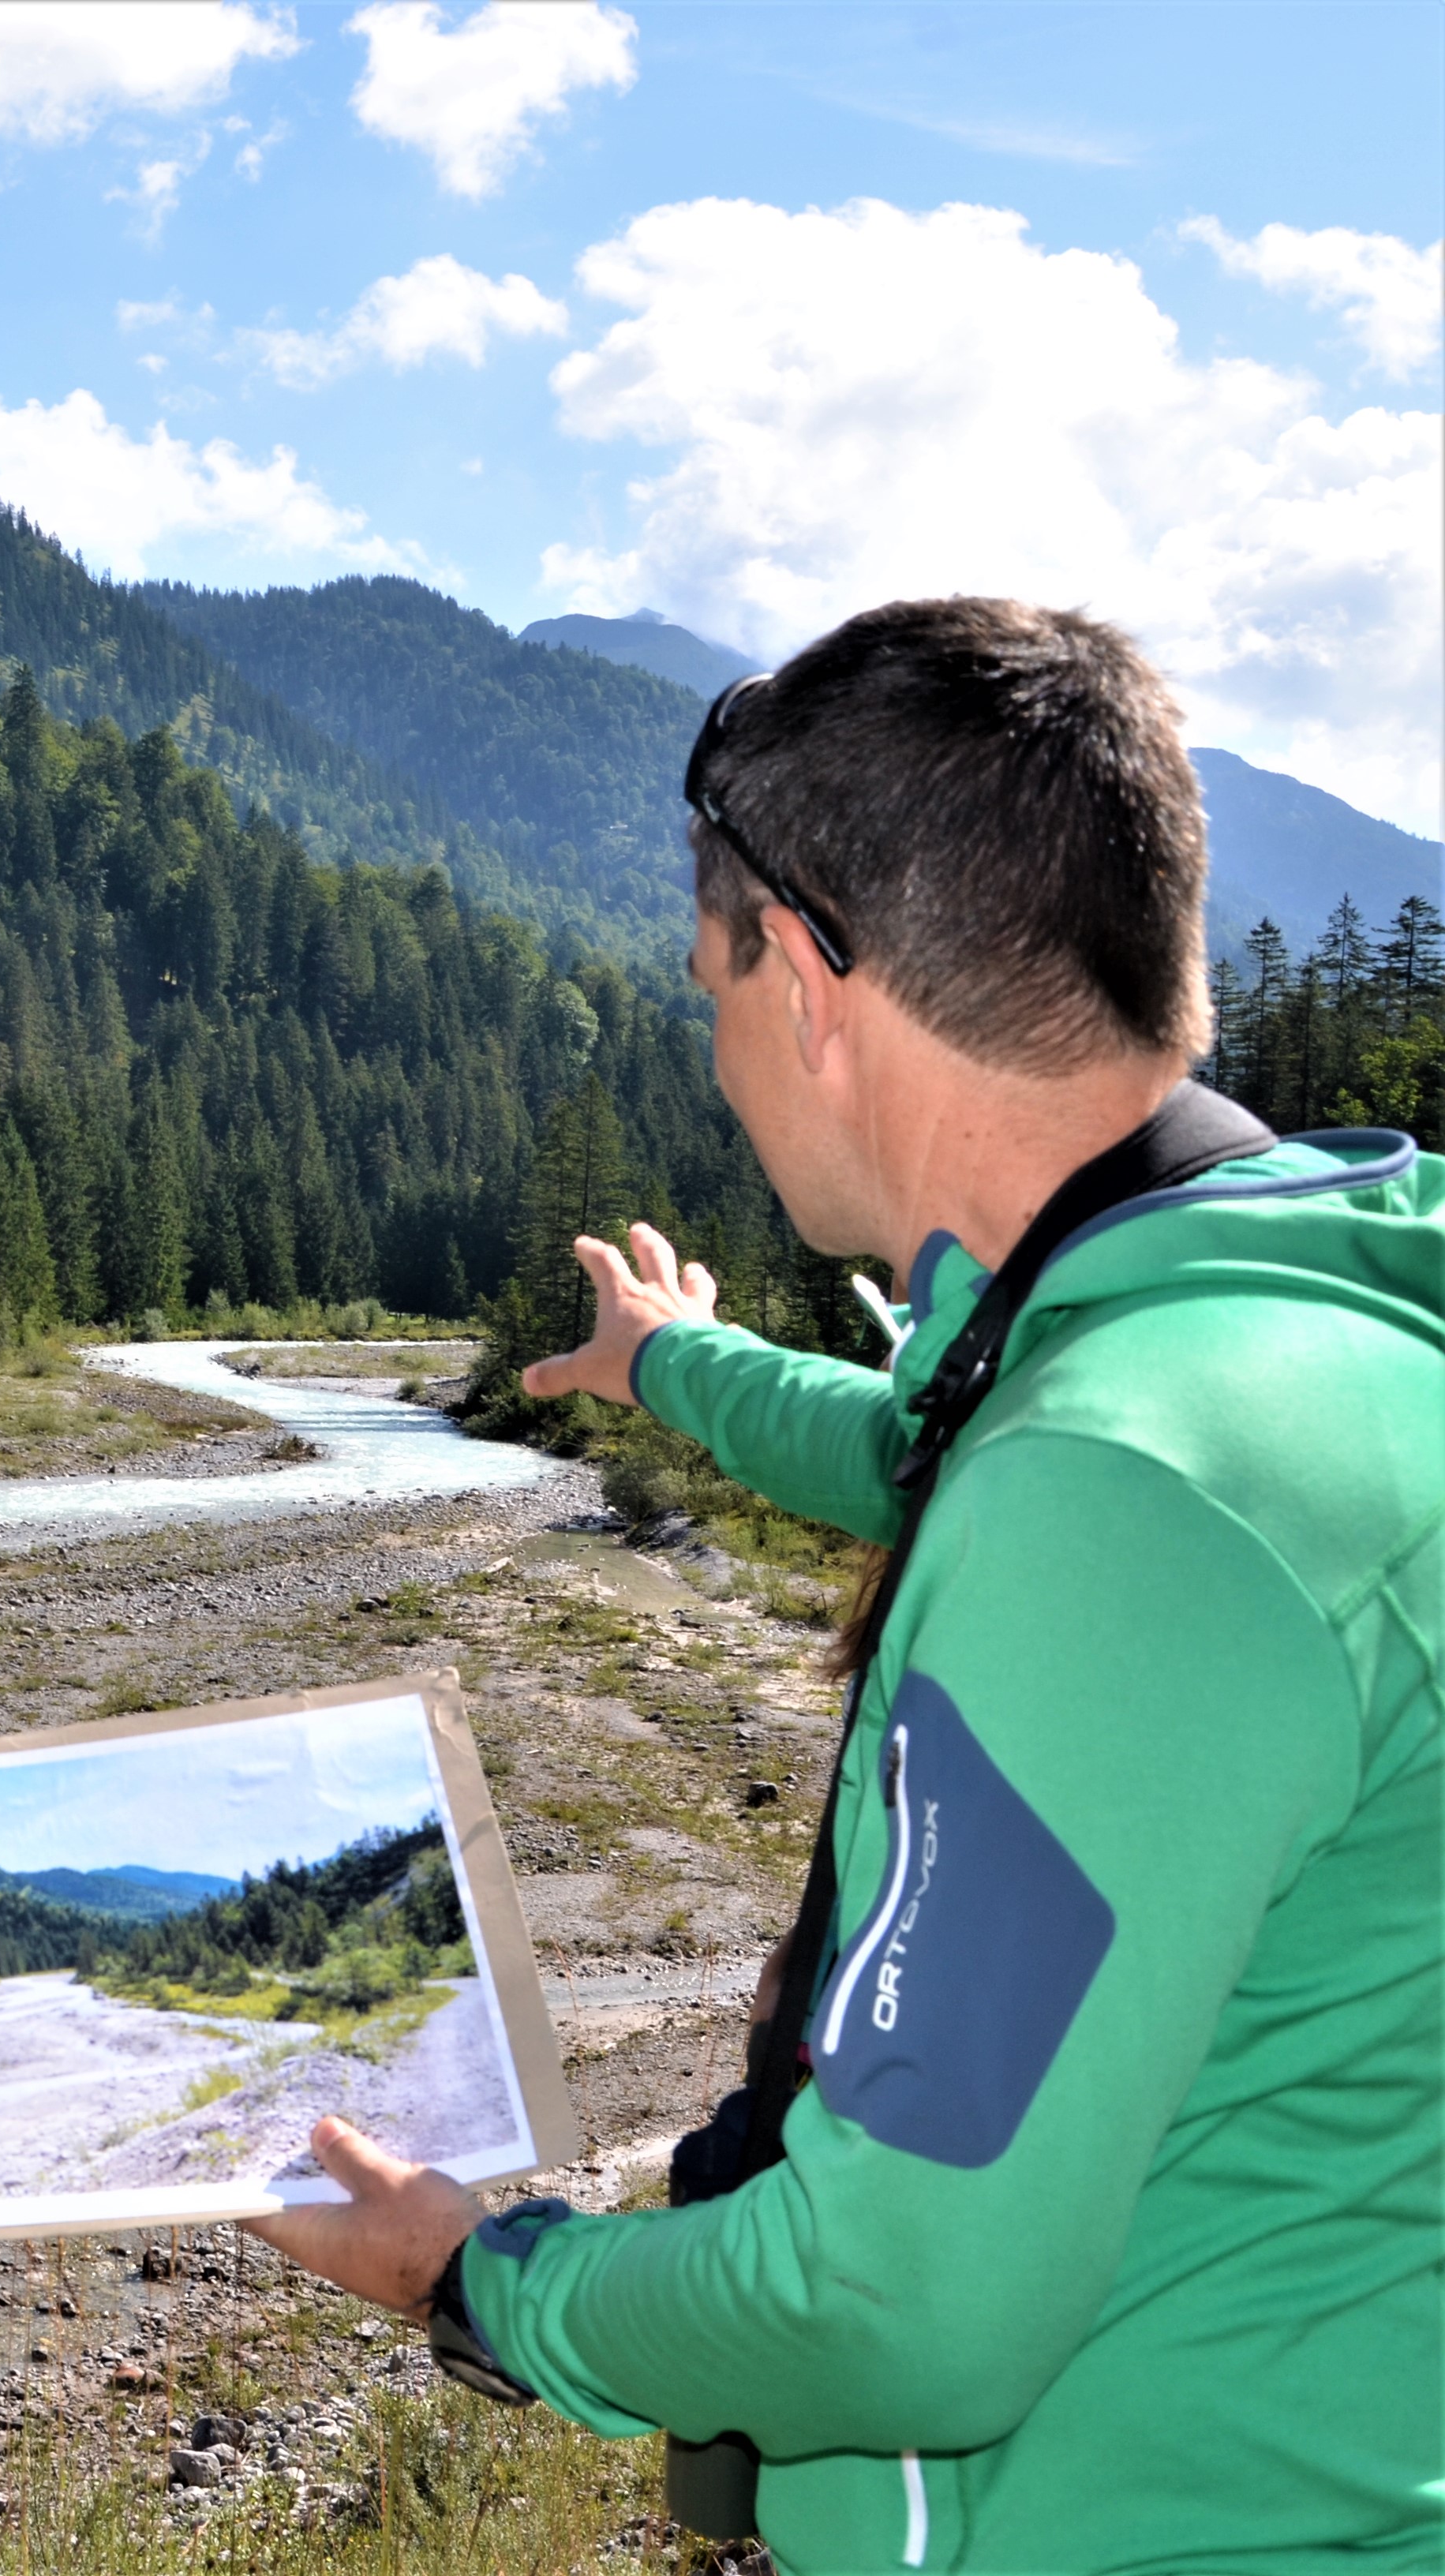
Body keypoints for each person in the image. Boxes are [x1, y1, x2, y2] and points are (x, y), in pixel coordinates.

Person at [243, 597, 1442, 2570]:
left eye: (708, 982)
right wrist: (665, 1366)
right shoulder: (1266, 1328)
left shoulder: (1119, 1491)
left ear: (804, 978)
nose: (717, 1050)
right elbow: (912, 1436)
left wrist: (482, 2280)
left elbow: (901, 2312)